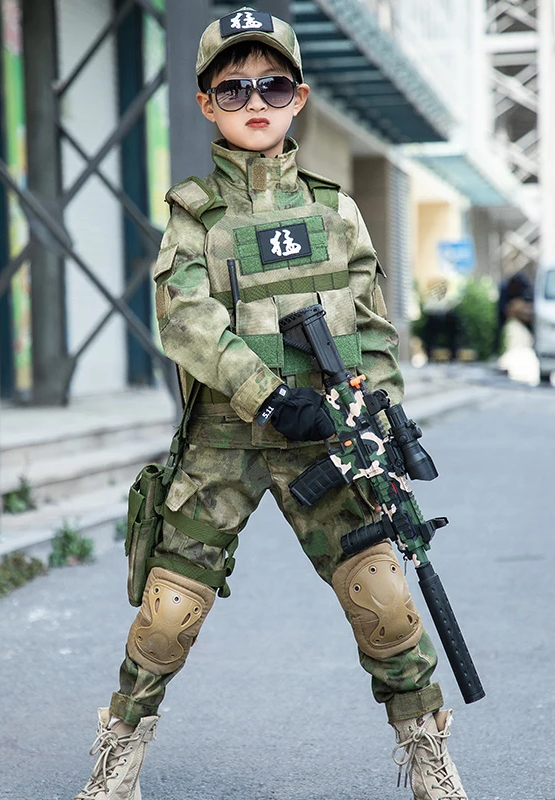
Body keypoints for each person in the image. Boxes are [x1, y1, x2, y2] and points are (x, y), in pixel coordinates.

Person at [74, 9, 469, 800]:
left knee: (386, 601)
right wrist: (266, 393)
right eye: (234, 87)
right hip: (225, 436)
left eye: (273, 84)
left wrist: (384, 418)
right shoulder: (194, 213)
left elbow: (376, 329)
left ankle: (427, 755)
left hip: (326, 438)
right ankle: (117, 758)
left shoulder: (335, 211)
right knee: (167, 614)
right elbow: (185, 319)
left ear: (299, 97)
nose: (255, 100)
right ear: (205, 103)